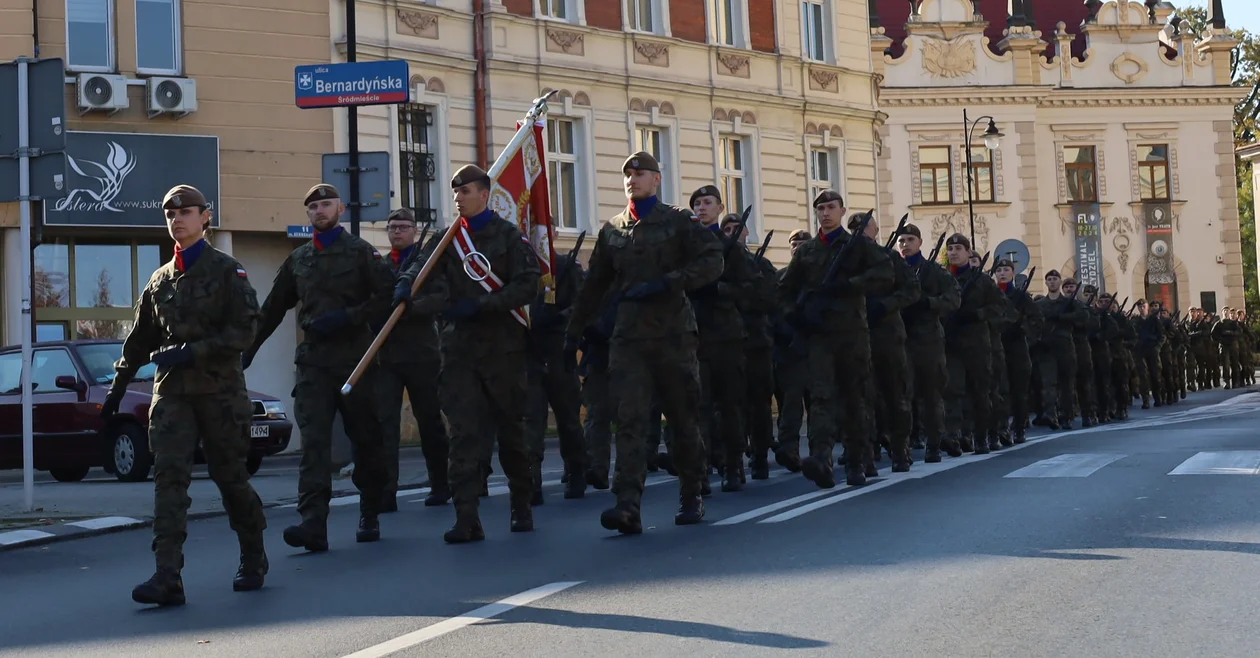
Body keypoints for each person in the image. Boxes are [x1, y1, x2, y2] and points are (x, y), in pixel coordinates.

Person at [104, 185, 268, 606]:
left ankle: (253, 555)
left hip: (219, 391)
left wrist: (195, 350)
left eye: (186, 212)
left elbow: (245, 331)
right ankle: (167, 576)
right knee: (168, 479)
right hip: (173, 392)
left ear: (205, 217)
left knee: (230, 478)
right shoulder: (160, 280)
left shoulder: (228, 272)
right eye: (169, 213)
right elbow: (139, 340)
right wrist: (118, 386)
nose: (177, 219)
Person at [563, 151, 723, 533]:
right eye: (627, 174)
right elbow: (593, 286)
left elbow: (712, 260)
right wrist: (573, 332)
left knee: (682, 419)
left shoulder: (678, 222)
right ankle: (627, 504)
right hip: (629, 339)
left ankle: (691, 492)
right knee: (631, 421)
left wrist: (671, 281)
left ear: (657, 179)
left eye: (640, 173)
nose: (632, 179)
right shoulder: (613, 230)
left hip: (672, 336)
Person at [396, 165, 541, 542]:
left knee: (511, 432)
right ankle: (466, 517)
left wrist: (485, 304)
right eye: (455, 191)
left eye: (465, 191)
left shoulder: (509, 238)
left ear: (484, 194)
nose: (458, 197)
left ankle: (521, 504)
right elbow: (418, 269)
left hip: (502, 351)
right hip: (459, 351)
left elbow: (528, 285)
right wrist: (404, 288)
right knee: (462, 434)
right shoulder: (448, 239)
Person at [246, 184, 393, 552]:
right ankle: (313, 522)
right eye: (312, 207)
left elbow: (387, 299)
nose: (319, 211)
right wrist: (247, 350)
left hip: (355, 360)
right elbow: (273, 308)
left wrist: (348, 316)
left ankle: (370, 509)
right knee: (314, 443)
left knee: (366, 439)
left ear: (340, 209)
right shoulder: (299, 260)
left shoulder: (361, 253)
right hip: (314, 363)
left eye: (325, 204)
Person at [778, 192, 893, 487]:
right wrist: (796, 317)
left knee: (854, 398)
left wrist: (850, 285)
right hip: (819, 336)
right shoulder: (807, 252)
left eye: (831, 207)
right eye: (821, 208)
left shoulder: (858, 246)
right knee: (821, 398)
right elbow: (785, 291)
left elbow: (885, 273)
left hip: (852, 333)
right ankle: (821, 460)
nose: (826, 213)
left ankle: (857, 460)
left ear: (842, 211)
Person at [376, 209, 451, 510]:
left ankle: (440, 484)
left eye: (403, 227)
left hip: (422, 352)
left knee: (430, 422)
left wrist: (412, 307)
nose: (397, 232)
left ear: (414, 230)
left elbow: (440, 298)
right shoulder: (381, 267)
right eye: (392, 227)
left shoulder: (428, 265)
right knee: (385, 424)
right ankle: (386, 491)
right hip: (388, 355)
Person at [689, 187, 759, 492]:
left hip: (726, 335)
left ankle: (733, 464)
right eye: (697, 204)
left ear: (719, 208)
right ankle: (699, 469)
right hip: (692, 335)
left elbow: (751, 289)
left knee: (729, 404)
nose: (702, 208)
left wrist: (719, 290)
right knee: (696, 406)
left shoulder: (730, 248)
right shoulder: (685, 246)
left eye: (707, 203)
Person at [852, 214, 920, 472]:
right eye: (854, 228)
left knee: (894, 395)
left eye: (864, 228)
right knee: (861, 396)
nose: (860, 233)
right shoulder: (846, 258)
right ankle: (865, 452)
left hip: (887, 335)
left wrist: (886, 305)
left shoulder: (889, 258)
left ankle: (899, 447)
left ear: (875, 231)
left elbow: (912, 289)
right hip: (856, 335)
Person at [897, 224, 961, 462]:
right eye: (901, 240)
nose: (905, 244)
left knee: (931, 395)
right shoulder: (894, 271)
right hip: (900, 339)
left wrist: (929, 304)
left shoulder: (935, 272)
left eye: (910, 239)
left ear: (920, 242)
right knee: (901, 396)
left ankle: (933, 443)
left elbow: (953, 299)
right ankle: (901, 448)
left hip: (928, 341)